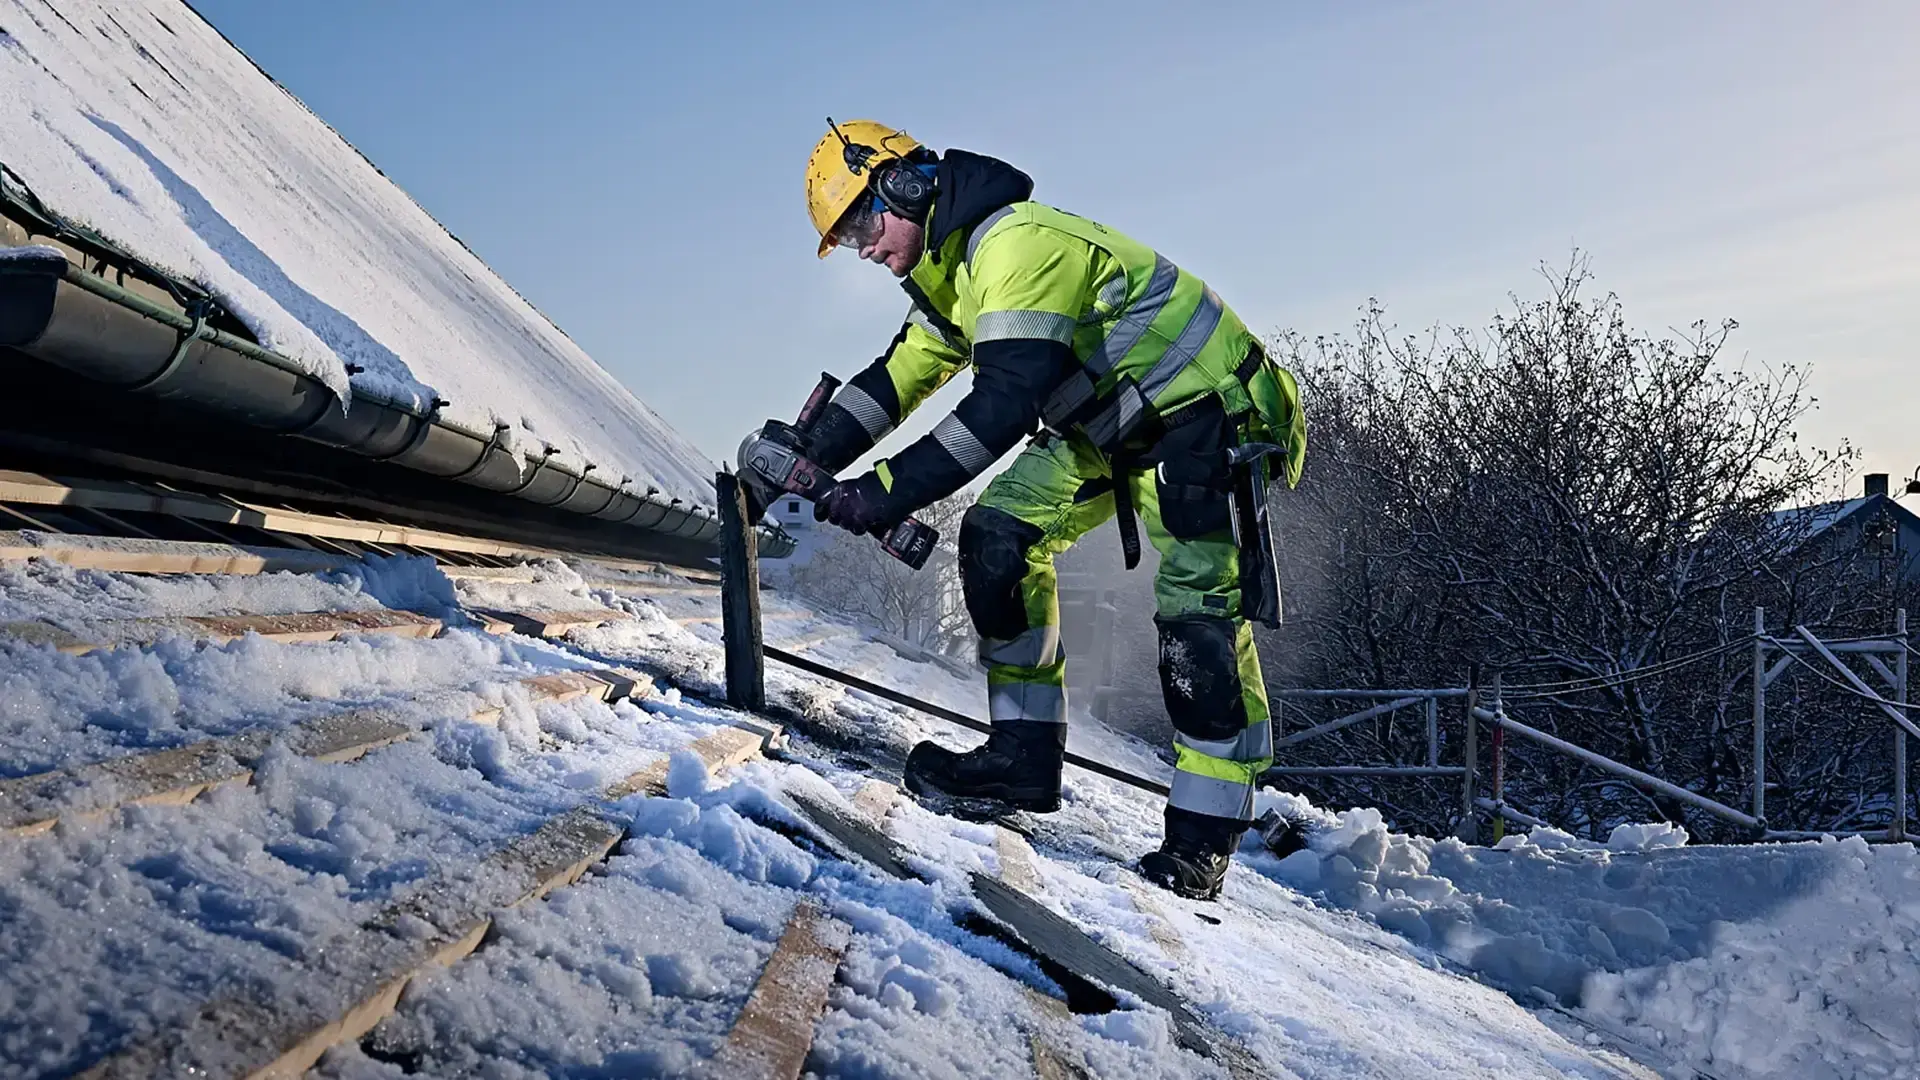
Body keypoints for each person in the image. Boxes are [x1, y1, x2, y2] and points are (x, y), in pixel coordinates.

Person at [797, 119, 1306, 899]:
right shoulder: (952, 273)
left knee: (1196, 619)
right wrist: (805, 456)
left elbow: (1000, 408)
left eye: (863, 221)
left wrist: (879, 493)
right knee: (999, 535)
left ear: (904, 182)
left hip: (1210, 416)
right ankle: (1022, 762)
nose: (863, 246)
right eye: (847, 236)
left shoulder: (1015, 246)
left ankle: (1203, 843)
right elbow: (897, 378)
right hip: (1112, 424)